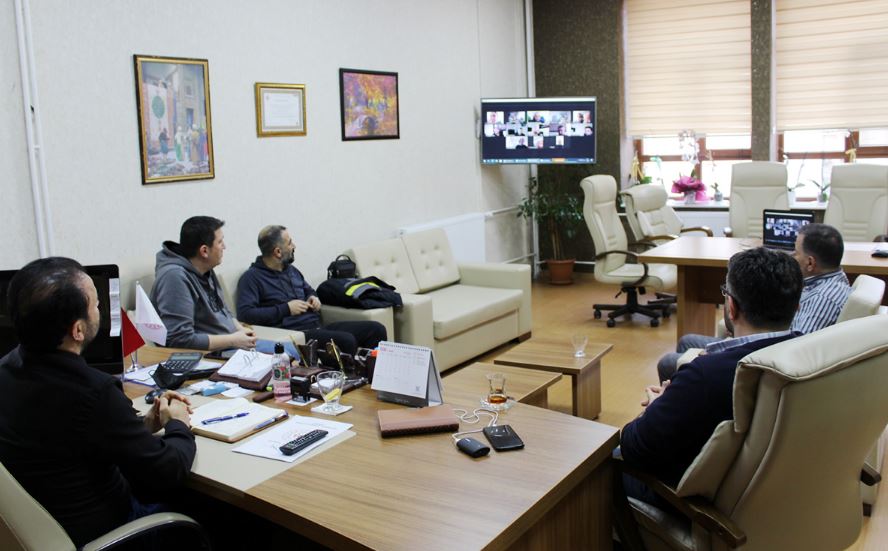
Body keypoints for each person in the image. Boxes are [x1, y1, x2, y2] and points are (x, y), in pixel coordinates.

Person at [0, 257, 196, 547]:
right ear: (78, 330)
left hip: (50, 525)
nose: (101, 310)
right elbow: (167, 471)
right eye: (96, 304)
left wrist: (143, 424)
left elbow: (73, 436)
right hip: (105, 533)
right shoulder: (92, 391)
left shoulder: (7, 369)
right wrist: (178, 422)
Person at [620, 247, 803, 506]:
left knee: (599, 465)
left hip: (701, 506)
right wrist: (676, 401)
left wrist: (656, 407)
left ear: (731, 306)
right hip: (775, 499)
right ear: (796, 306)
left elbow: (634, 447)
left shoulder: (706, 374)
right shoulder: (811, 356)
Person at [656, 223, 851, 382]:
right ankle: (684, 393)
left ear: (810, 263)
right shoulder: (832, 279)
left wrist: (722, 353)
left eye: (795, 251)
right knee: (687, 340)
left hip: (761, 361)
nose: (791, 255)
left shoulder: (822, 300)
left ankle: (679, 397)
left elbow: (793, 352)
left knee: (667, 363)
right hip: (763, 344)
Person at [237, 225, 387, 356]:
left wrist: (313, 297)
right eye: (290, 243)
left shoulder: (291, 270)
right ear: (277, 251)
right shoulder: (251, 278)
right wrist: (286, 309)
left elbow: (309, 290)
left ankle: (374, 379)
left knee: (376, 329)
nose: (294, 246)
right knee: (345, 340)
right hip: (296, 334)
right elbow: (246, 314)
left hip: (317, 326)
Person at [152, 216, 258, 351]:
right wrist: (233, 340)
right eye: (220, 242)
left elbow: (223, 310)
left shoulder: (205, 268)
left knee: (288, 351)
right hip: (212, 354)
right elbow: (179, 339)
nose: (224, 246)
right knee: (283, 359)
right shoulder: (174, 277)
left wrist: (241, 330)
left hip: (233, 344)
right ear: (204, 251)